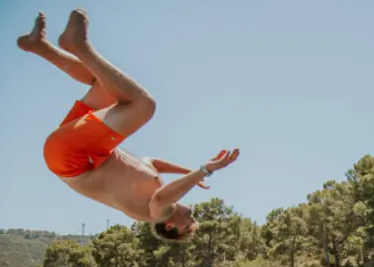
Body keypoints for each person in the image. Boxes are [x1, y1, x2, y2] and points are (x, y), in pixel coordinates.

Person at [17, 9, 240, 242]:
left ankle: (79, 45)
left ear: (171, 227)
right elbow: (151, 163)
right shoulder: (151, 186)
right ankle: (39, 46)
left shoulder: (159, 213)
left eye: (189, 226)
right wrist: (188, 171)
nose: (194, 220)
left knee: (143, 106)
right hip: (75, 150)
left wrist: (206, 169)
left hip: (73, 158)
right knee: (107, 84)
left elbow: (163, 198)